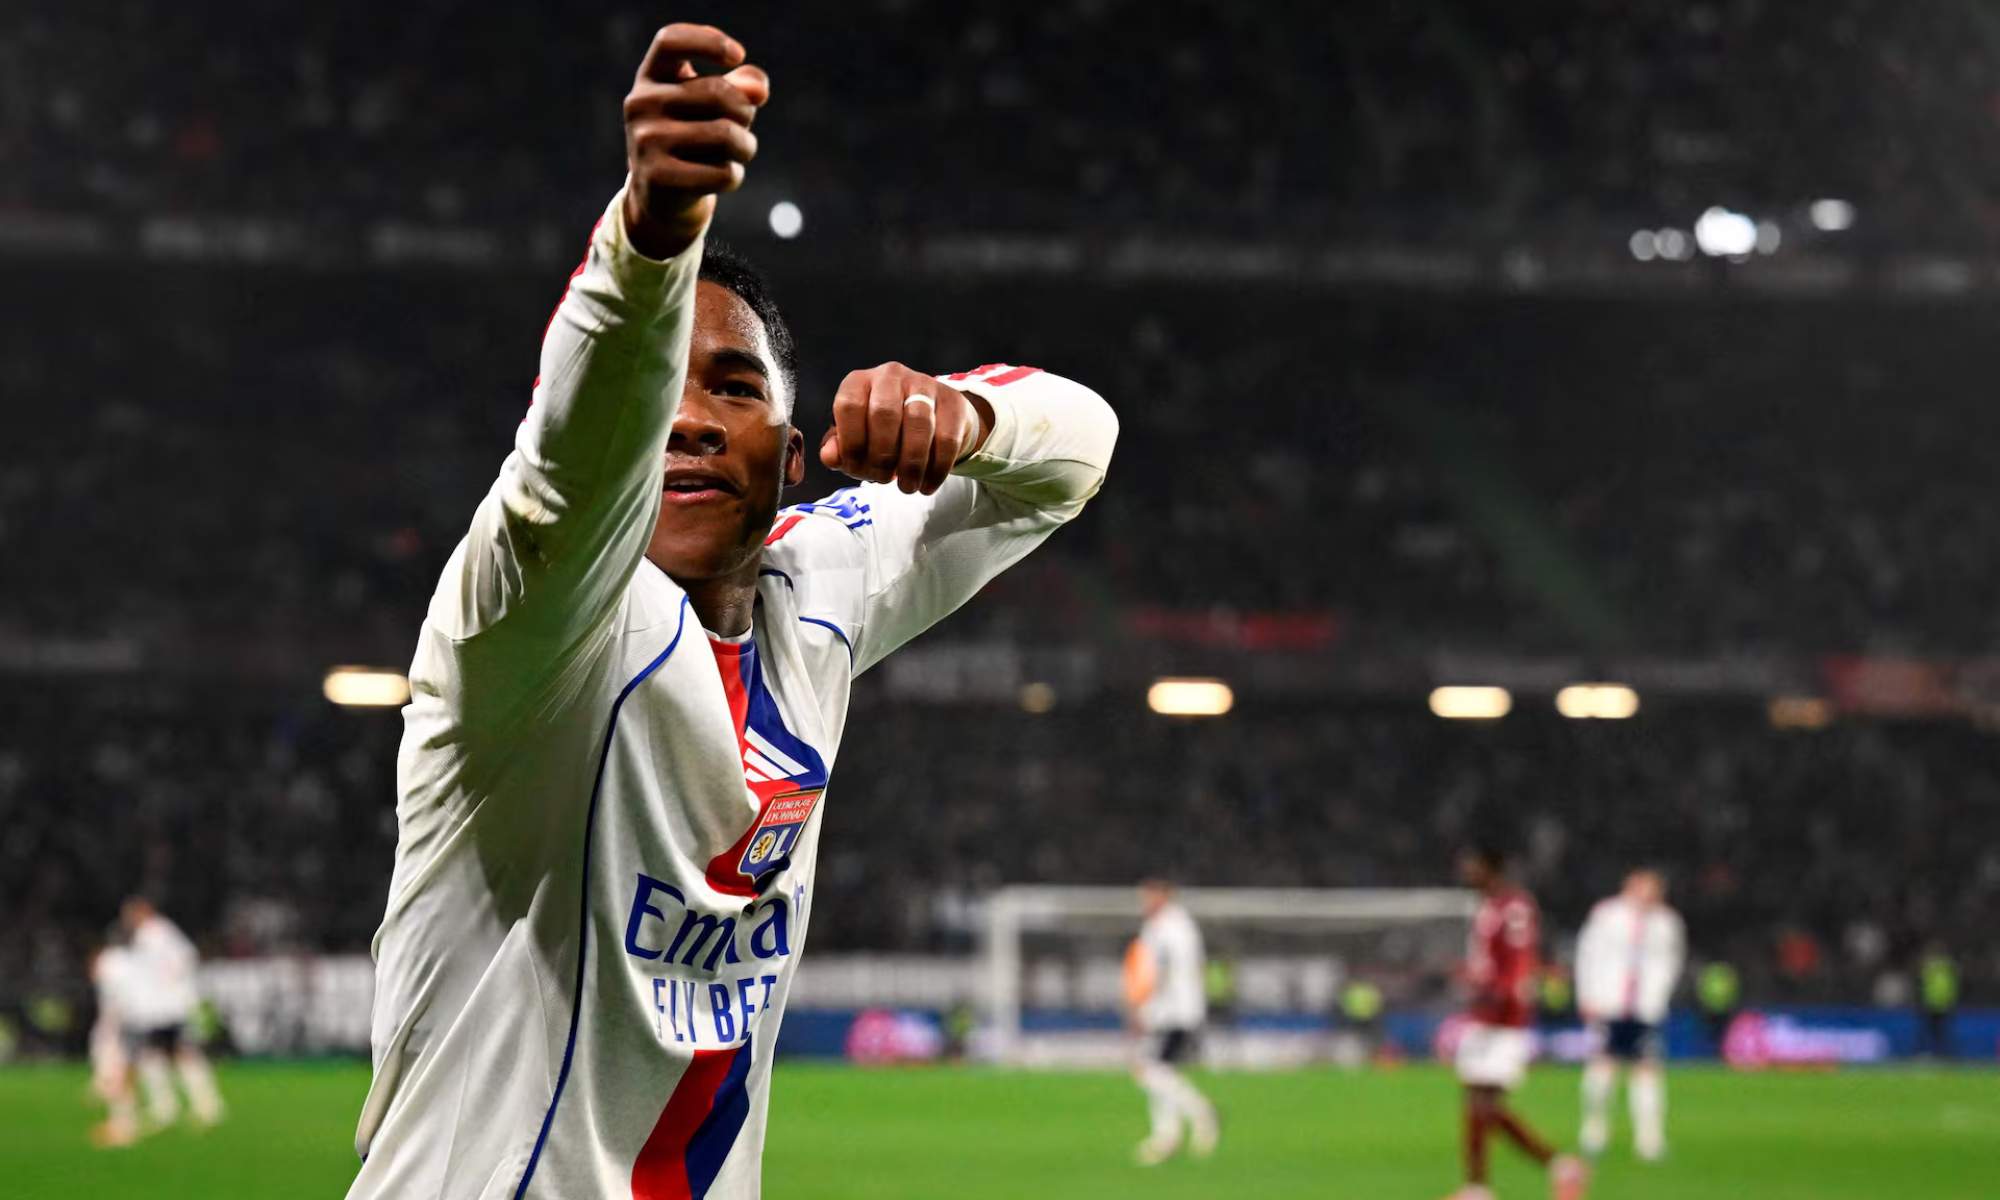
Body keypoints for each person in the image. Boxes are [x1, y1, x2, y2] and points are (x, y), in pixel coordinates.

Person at [347, 23, 1117, 1199]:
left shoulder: (816, 591)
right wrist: (647, 243)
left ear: (794, 456)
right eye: (664, 385)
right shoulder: (525, 626)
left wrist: (967, 417)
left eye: (734, 386)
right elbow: (568, 464)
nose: (688, 418)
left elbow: (1077, 450)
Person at [1446, 847, 1587, 1200]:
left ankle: (1549, 1167)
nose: (1466, 871)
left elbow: (1522, 958)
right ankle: (1479, 1186)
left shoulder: (1514, 907)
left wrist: (1506, 991)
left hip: (1505, 1018)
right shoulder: (1487, 908)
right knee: (1478, 1102)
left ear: (1492, 868)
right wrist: (1474, 978)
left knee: (1484, 1103)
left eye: (1472, 865)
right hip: (1484, 1014)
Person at [1574, 869, 1685, 1161]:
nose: (1647, 895)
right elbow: (1587, 954)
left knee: (1647, 1068)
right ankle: (1594, 1130)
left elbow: (1673, 962)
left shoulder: (1667, 923)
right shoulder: (1607, 915)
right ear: (1629, 887)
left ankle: (1649, 1138)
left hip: (1646, 1007)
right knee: (1603, 1064)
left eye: (1653, 889)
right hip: (1609, 1003)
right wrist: (1586, 995)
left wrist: (1660, 997)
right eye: (1642, 888)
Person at [1122, 880, 1219, 1165]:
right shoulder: (1177, 925)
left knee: (1146, 1068)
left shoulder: (1167, 928)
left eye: (1149, 896)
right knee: (1160, 1069)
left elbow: (1156, 972)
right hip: (1181, 1007)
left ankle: (1200, 1112)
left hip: (1171, 1010)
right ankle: (1167, 1137)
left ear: (1164, 896)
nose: (1145, 902)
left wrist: (1143, 1009)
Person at [119, 897, 225, 1129]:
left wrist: (170, 981)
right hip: (160, 1008)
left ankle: (193, 1106)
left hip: (167, 1008)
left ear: (142, 911)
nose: (128, 920)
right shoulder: (152, 934)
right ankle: (180, 1106)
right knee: (164, 1055)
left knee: (174, 1053)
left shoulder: (157, 932)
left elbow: (185, 958)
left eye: (130, 915)